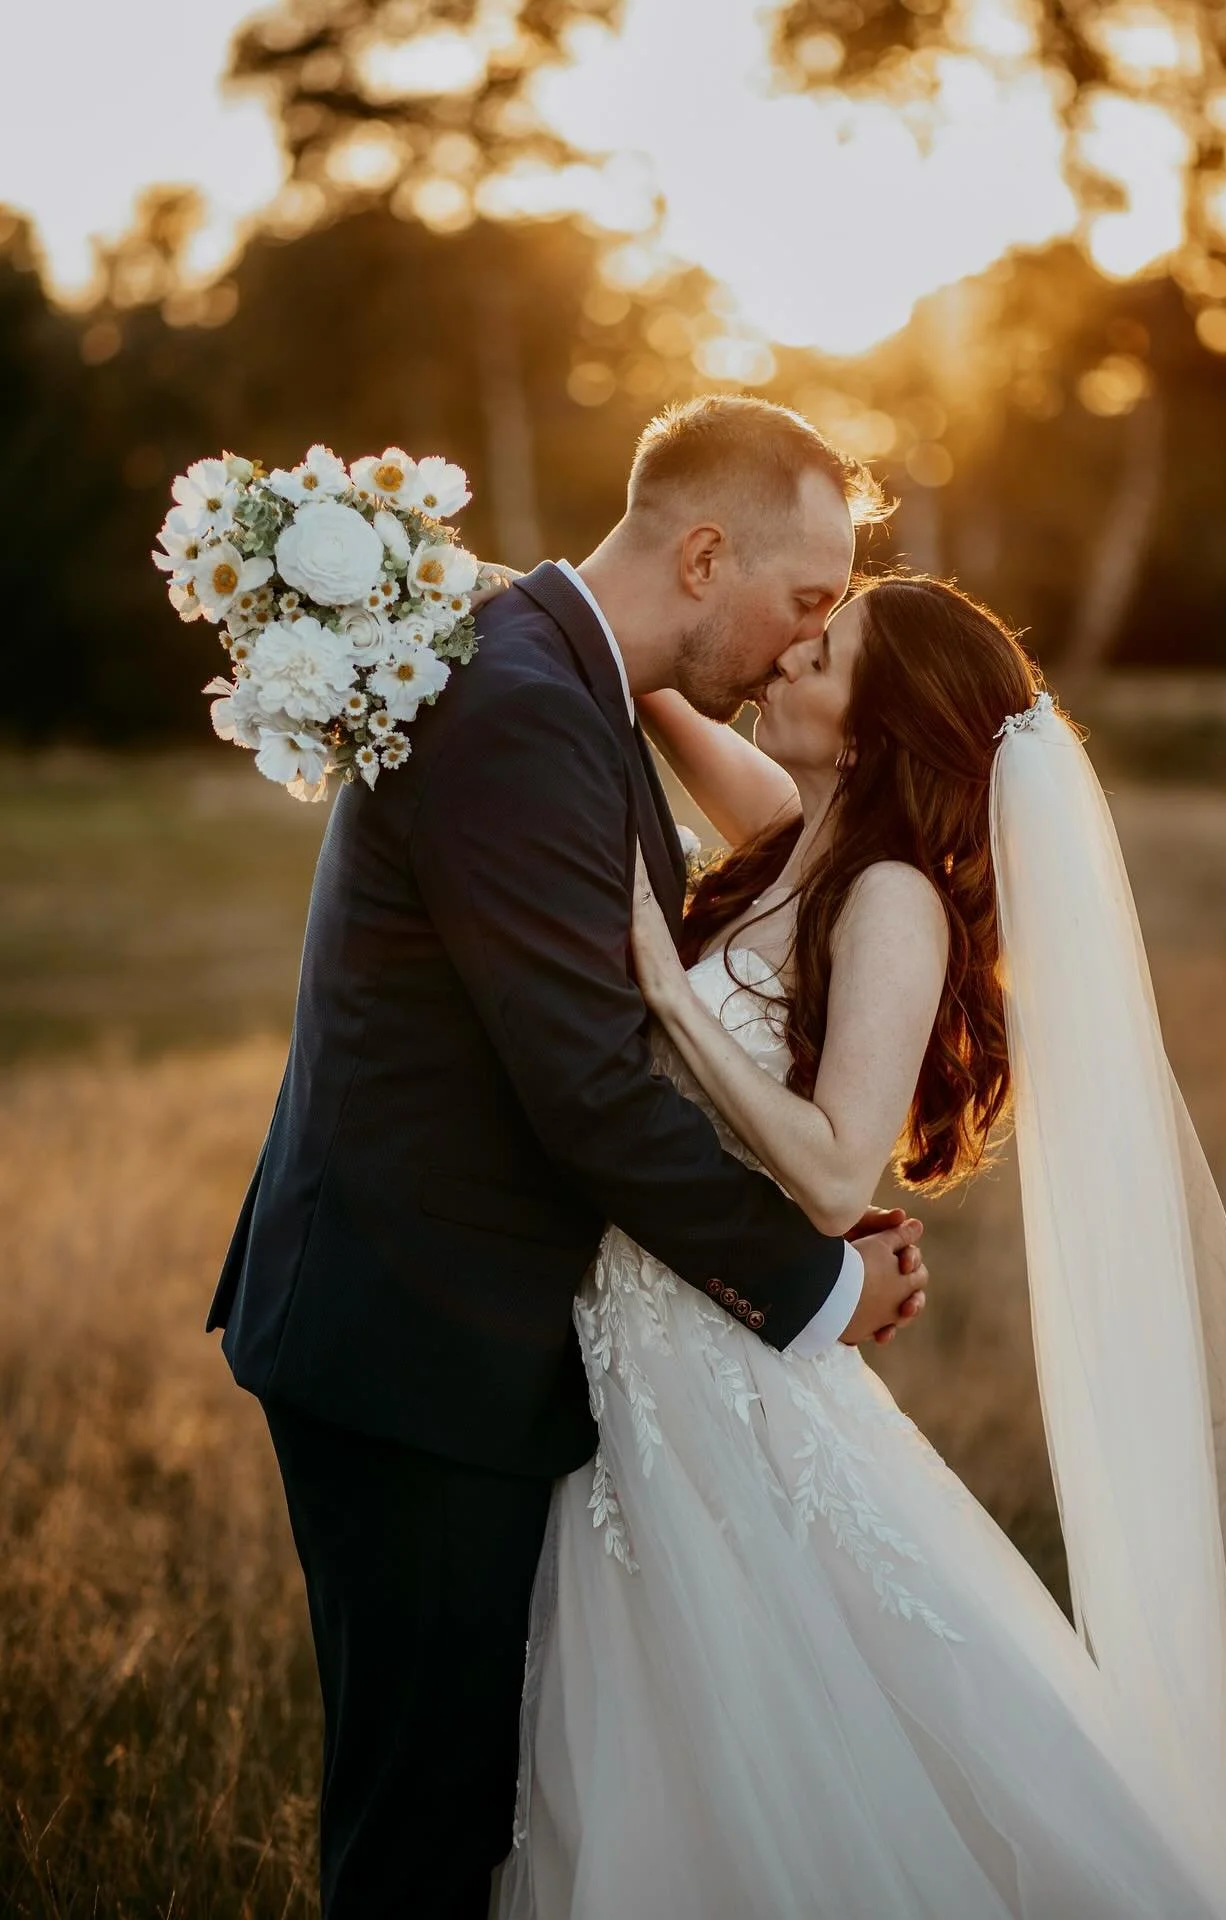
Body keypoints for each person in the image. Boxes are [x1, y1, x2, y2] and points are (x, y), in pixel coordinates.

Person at [493, 574, 1226, 1918]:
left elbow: (839, 1174)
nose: (782, 659)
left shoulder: (894, 898)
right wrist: (512, 591)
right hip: (643, 1355)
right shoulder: (799, 841)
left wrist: (671, 995)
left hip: (720, 1371)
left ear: (871, 724)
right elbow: (652, 680)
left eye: (818, 654)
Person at [206, 396, 933, 1920]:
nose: (808, 642)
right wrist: (812, 1287)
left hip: (459, 1336)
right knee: (420, 1832)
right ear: (706, 552)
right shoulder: (529, 694)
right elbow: (590, 1091)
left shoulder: (557, 673)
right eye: (804, 600)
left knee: (478, 1805)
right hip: (411, 1345)